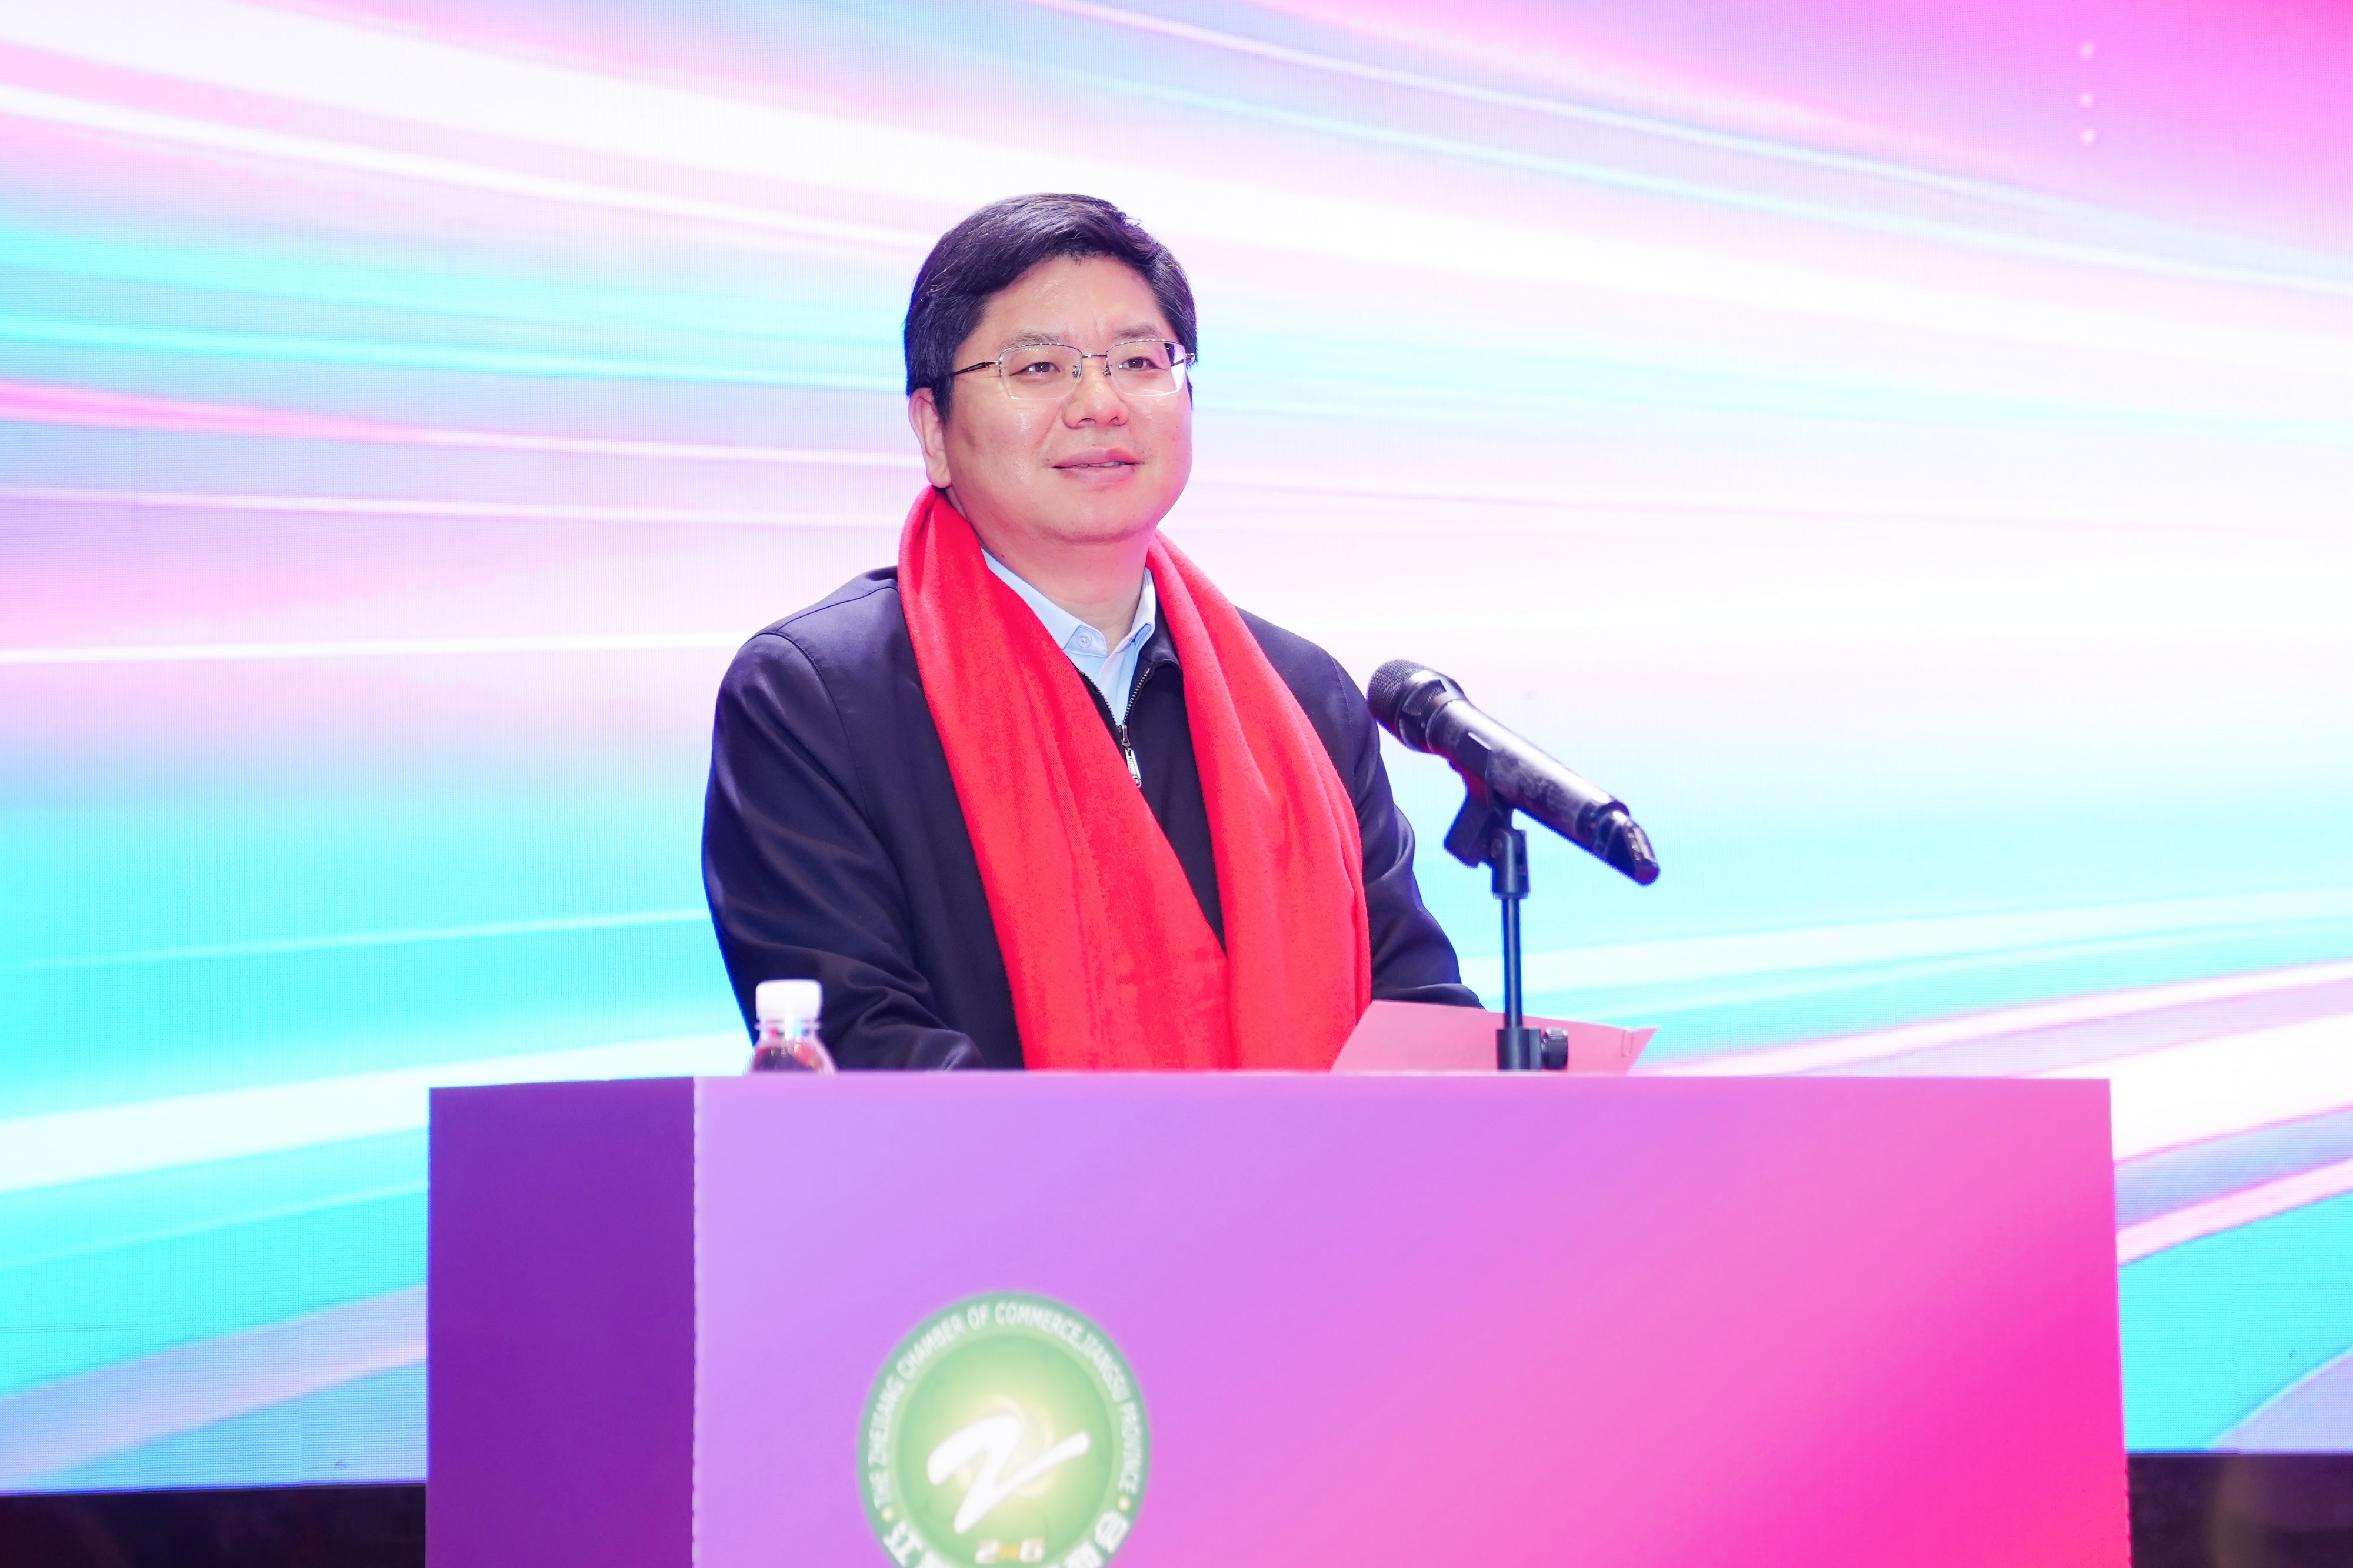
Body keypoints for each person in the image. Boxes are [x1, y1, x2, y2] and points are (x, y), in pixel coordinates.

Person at [702, 192, 1475, 1069]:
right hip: (981, 1170)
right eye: (1039, 368)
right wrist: (1173, 1154)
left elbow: (1416, 1018)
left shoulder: (1304, 697)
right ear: (933, 431)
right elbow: (860, 1045)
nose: (1100, 403)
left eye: (1140, 361)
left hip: (1314, 1168)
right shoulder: (815, 699)